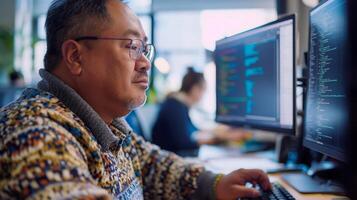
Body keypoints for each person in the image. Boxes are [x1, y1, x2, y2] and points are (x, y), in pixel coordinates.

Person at [0, 0, 271, 199]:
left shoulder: (106, 125)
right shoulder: (35, 131)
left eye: (144, 49)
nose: (145, 63)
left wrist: (214, 184)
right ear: (75, 57)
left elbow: (154, 166)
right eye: (131, 47)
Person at [152, 68, 250, 156]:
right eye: (204, 90)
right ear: (195, 89)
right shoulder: (175, 107)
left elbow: (193, 130)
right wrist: (221, 138)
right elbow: (184, 143)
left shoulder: (179, 104)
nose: (204, 95)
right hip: (170, 157)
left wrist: (218, 132)